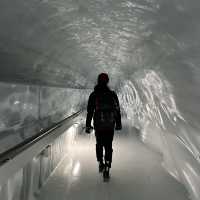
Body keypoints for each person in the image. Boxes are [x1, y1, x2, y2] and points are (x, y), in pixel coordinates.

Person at [85, 73, 122, 180]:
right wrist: (118, 123)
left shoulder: (94, 95)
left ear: (98, 81)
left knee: (99, 143)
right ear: (108, 81)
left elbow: (90, 111)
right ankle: (107, 166)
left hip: (98, 124)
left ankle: (100, 162)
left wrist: (88, 125)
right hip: (110, 124)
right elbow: (117, 110)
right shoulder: (112, 94)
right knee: (108, 145)